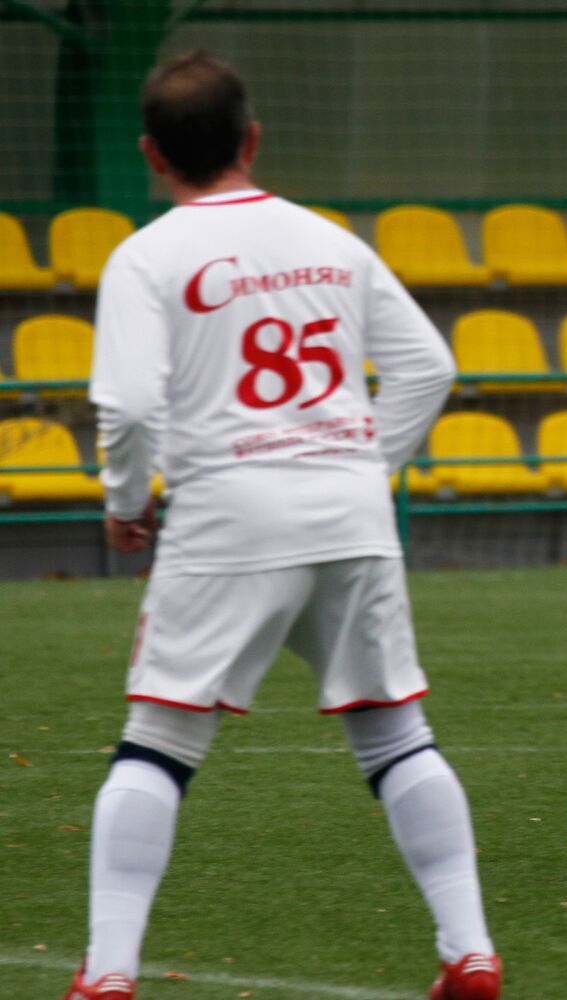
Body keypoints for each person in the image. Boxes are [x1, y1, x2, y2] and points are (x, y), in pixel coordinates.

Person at [67, 52, 500, 1000]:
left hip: (227, 516)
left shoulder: (145, 256)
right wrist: (360, 468)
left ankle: (104, 977)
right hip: (349, 516)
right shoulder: (332, 242)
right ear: (252, 139)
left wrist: (126, 503)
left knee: (157, 745)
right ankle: (469, 952)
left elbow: (133, 407)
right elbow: (428, 368)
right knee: (396, 736)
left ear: (151, 156)